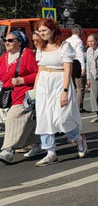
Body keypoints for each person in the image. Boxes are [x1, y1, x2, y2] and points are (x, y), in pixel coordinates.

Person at [32, 19, 89, 166]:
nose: (42, 34)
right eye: (40, 31)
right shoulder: (41, 48)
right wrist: (35, 89)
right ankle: (50, 152)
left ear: (52, 30)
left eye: (44, 30)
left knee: (62, 118)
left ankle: (78, 138)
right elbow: (40, 69)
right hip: (44, 84)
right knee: (44, 118)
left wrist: (65, 91)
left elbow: (68, 70)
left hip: (59, 83)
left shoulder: (64, 46)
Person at [0, 30, 39, 164]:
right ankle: (38, 143)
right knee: (29, 122)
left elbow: (38, 74)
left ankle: (7, 150)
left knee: (12, 118)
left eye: (11, 40)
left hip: (24, 92)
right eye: (5, 40)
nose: (7, 43)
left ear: (20, 42)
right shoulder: (4, 57)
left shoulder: (26, 54)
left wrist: (23, 80)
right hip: (8, 94)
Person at [66, 26, 87, 113]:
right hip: (77, 64)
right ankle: (79, 107)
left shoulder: (67, 40)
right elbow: (80, 54)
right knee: (80, 87)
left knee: (71, 86)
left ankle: (70, 105)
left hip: (68, 64)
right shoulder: (78, 41)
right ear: (78, 31)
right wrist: (83, 67)